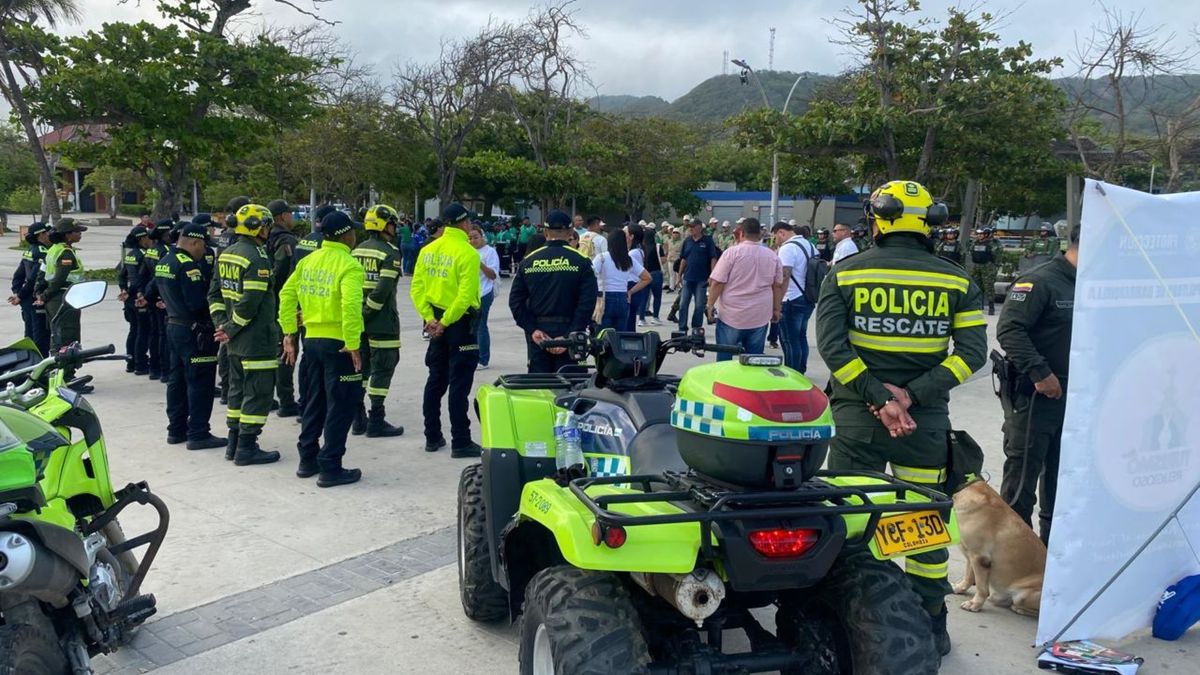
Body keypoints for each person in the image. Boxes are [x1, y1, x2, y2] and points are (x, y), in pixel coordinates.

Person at [815, 179, 987, 656]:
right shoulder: (957, 281)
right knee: (925, 523)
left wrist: (878, 397)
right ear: (930, 224)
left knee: (853, 523)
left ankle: (852, 619)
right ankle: (932, 622)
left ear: (878, 221)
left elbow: (833, 348)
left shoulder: (845, 274)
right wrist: (911, 396)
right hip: (923, 425)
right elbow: (972, 355)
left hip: (858, 421)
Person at [996, 223, 1078, 546]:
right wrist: (1040, 373)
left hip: (1076, 399)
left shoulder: (1092, 283)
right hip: (1036, 398)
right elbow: (1009, 330)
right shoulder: (1040, 281)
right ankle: (1013, 558)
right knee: (1021, 484)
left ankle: (1050, 556)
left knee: (1062, 481)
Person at [280, 211, 366, 487]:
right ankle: (331, 467)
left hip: (312, 342)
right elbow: (350, 306)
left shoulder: (308, 261)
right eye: (353, 231)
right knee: (341, 405)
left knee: (313, 401)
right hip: (339, 345)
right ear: (346, 236)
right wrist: (353, 344)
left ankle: (307, 459)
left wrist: (289, 333)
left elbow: (286, 295)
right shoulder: (350, 265)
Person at [208, 203, 281, 466]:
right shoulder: (257, 258)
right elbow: (250, 302)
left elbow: (214, 295)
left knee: (237, 391)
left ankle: (233, 443)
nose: (269, 231)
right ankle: (247, 448)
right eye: (267, 226)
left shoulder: (226, 253)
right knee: (258, 392)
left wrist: (222, 325)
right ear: (258, 228)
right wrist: (230, 328)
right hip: (256, 339)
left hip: (233, 342)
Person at [410, 203, 483, 458]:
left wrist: (430, 319)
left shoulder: (428, 250)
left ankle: (432, 436)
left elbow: (417, 289)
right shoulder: (468, 252)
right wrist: (446, 322)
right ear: (464, 223)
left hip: (435, 323)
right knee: (459, 385)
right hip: (459, 324)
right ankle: (461, 441)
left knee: (435, 380)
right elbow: (465, 296)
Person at [158, 223, 226, 450]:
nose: (204, 251)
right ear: (195, 242)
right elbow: (198, 304)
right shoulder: (188, 267)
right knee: (200, 383)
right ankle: (198, 433)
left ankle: (176, 429)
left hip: (173, 326)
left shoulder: (165, 261)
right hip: (194, 332)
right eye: (203, 245)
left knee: (176, 381)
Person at [509, 210, 597, 374]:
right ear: (571, 232)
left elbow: (515, 301)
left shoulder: (528, 261)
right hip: (571, 333)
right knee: (572, 386)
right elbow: (587, 303)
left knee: (540, 386)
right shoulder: (582, 261)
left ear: (545, 232)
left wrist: (532, 329)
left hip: (539, 335)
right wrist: (570, 334)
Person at [351, 204, 406, 438]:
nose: (395, 228)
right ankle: (376, 420)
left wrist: (359, 317)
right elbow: (382, 291)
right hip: (382, 322)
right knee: (383, 368)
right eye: (393, 224)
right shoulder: (390, 252)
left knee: (361, 368)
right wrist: (368, 312)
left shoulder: (356, 250)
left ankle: (358, 418)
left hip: (358, 321)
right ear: (385, 225)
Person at [705, 218, 783, 360]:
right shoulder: (772, 256)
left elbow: (717, 282)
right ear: (760, 234)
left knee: (724, 358)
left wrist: (710, 305)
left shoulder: (731, 253)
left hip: (732, 315)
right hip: (759, 316)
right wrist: (776, 309)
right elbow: (777, 286)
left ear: (741, 233)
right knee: (753, 360)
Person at [38, 219, 90, 388]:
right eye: (77, 231)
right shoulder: (65, 253)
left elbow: (42, 274)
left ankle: (58, 376)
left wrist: (40, 293)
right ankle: (67, 378)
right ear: (68, 235)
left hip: (56, 300)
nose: (80, 234)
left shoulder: (53, 250)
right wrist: (45, 295)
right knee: (68, 338)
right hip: (64, 299)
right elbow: (59, 279)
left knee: (58, 338)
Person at [264, 199, 300, 418]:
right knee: (287, 352)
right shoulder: (286, 240)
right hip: (283, 304)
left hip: (269, 305)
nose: (292, 217)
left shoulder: (265, 236)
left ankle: (272, 397)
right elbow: (284, 274)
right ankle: (287, 401)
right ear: (282, 216)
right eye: (290, 213)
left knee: (274, 352)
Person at [773, 222, 820, 372]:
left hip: (791, 298)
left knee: (789, 340)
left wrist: (777, 303)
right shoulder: (810, 245)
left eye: (775, 237)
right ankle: (801, 370)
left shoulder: (788, 248)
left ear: (781, 233)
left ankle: (792, 374)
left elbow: (784, 276)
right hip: (807, 297)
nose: (775, 241)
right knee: (801, 337)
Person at [593, 229, 650, 333]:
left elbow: (590, 276)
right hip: (623, 298)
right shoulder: (629, 260)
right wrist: (631, 291)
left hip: (605, 298)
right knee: (620, 335)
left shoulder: (601, 258)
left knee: (603, 334)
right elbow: (647, 278)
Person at [9, 222, 51, 356]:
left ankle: (29, 363)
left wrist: (17, 293)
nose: (49, 235)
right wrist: (20, 296)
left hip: (26, 301)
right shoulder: (43, 253)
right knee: (41, 339)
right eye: (47, 232)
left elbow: (18, 276)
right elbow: (34, 279)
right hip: (36, 301)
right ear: (41, 235)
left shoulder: (29, 251)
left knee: (29, 337)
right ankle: (40, 366)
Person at [117, 226, 152, 374]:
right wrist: (140, 293)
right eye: (148, 237)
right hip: (139, 297)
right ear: (142, 239)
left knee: (134, 330)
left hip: (129, 298)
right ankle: (140, 364)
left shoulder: (130, 255)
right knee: (143, 332)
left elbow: (121, 275)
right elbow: (141, 279)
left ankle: (130, 362)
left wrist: (124, 289)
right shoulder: (145, 255)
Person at [676, 219, 719, 334]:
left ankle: (696, 328)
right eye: (690, 227)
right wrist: (679, 275)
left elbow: (713, 258)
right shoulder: (687, 241)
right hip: (688, 278)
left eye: (693, 227)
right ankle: (682, 328)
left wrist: (712, 275)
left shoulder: (708, 241)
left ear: (700, 227)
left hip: (702, 279)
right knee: (683, 304)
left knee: (699, 306)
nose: (691, 229)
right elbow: (684, 259)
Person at [469, 224, 500, 370]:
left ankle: (483, 359)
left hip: (484, 292)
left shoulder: (490, 252)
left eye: (475, 237)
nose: (473, 241)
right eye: (470, 238)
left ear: (482, 237)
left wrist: (479, 263)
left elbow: (492, 275)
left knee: (481, 325)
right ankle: (471, 354)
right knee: (469, 326)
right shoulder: (466, 250)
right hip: (469, 293)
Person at [969, 227, 1004, 315]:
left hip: (988, 267)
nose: (979, 236)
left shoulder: (991, 244)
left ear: (986, 235)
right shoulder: (975, 243)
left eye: (981, 234)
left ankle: (991, 307)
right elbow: (971, 252)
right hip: (977, 267)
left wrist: (995, 267)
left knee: (989, 287)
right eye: (978, 234)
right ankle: (979, 306)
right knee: (977, 286)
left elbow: (997, 256)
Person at [625, 223, 652, 331]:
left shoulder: (633, 253)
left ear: (631, 236)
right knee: (630, 321)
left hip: (631, 286)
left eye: (626, 233)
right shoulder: (639, 250)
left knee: (628, 323)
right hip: (634, 286)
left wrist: (630, 291)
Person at [638, 222, 665, 326]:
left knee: (644, 297)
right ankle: (655, 317)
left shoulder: (641, 248)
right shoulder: (657, 247)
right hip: (656, 273)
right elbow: (663, 260)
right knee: (657, 297)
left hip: (644, 274)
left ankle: (641, 319)